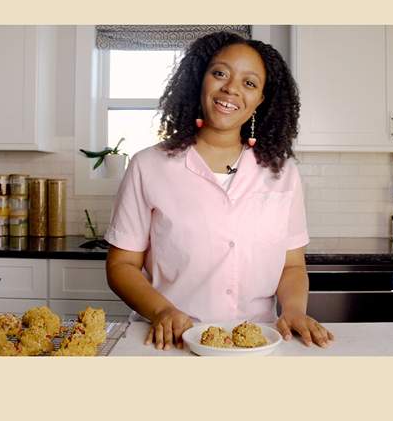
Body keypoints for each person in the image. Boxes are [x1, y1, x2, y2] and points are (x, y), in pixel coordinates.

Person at [104, 31, 334, 350]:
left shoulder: (282, 174)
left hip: (257, 343)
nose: (231, 89)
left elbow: (292, 265)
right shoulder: (148, 165)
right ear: (201, 80)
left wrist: (294, 310)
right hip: (170, 342)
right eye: (220, 73)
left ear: (261, 101)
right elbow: (121, 265)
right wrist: (162, 311)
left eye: (249, 83)